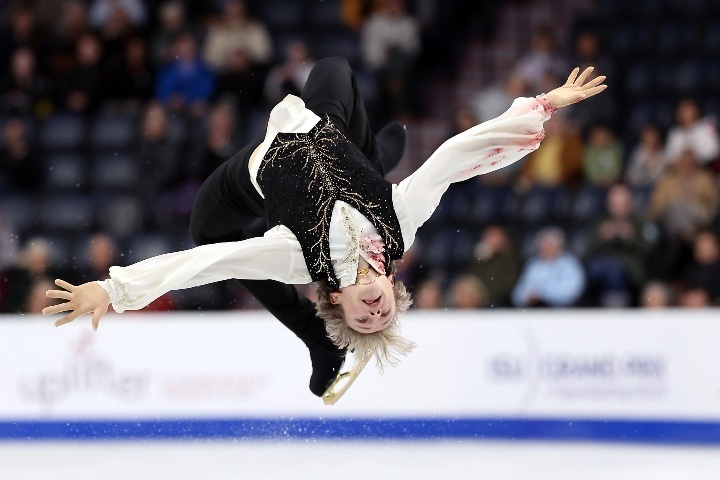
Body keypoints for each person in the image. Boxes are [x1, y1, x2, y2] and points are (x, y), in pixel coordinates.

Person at [43, 60, 606, 394]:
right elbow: (455, 158)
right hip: (323, 126)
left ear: (337, 299)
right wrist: (542, 105)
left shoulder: (296, 258)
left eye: (365, 317)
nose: (375, 309)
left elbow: (205, 265)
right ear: (392, 289)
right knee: (336, 71)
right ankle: (375, 158)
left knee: (206, 231)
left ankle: (317, 340)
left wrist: (115, 291)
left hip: (256, 169)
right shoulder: (400, 226)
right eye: (384, 310)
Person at [511, 227, 586, 307]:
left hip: (563, 312)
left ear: (559, 246)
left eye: (550, 245)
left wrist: (542, 295)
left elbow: (572, 292)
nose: (546, 249)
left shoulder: (570, 263)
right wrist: (527, 297)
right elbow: (518, 294)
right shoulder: (533, 264)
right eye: (543, 246)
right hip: (536, 311)